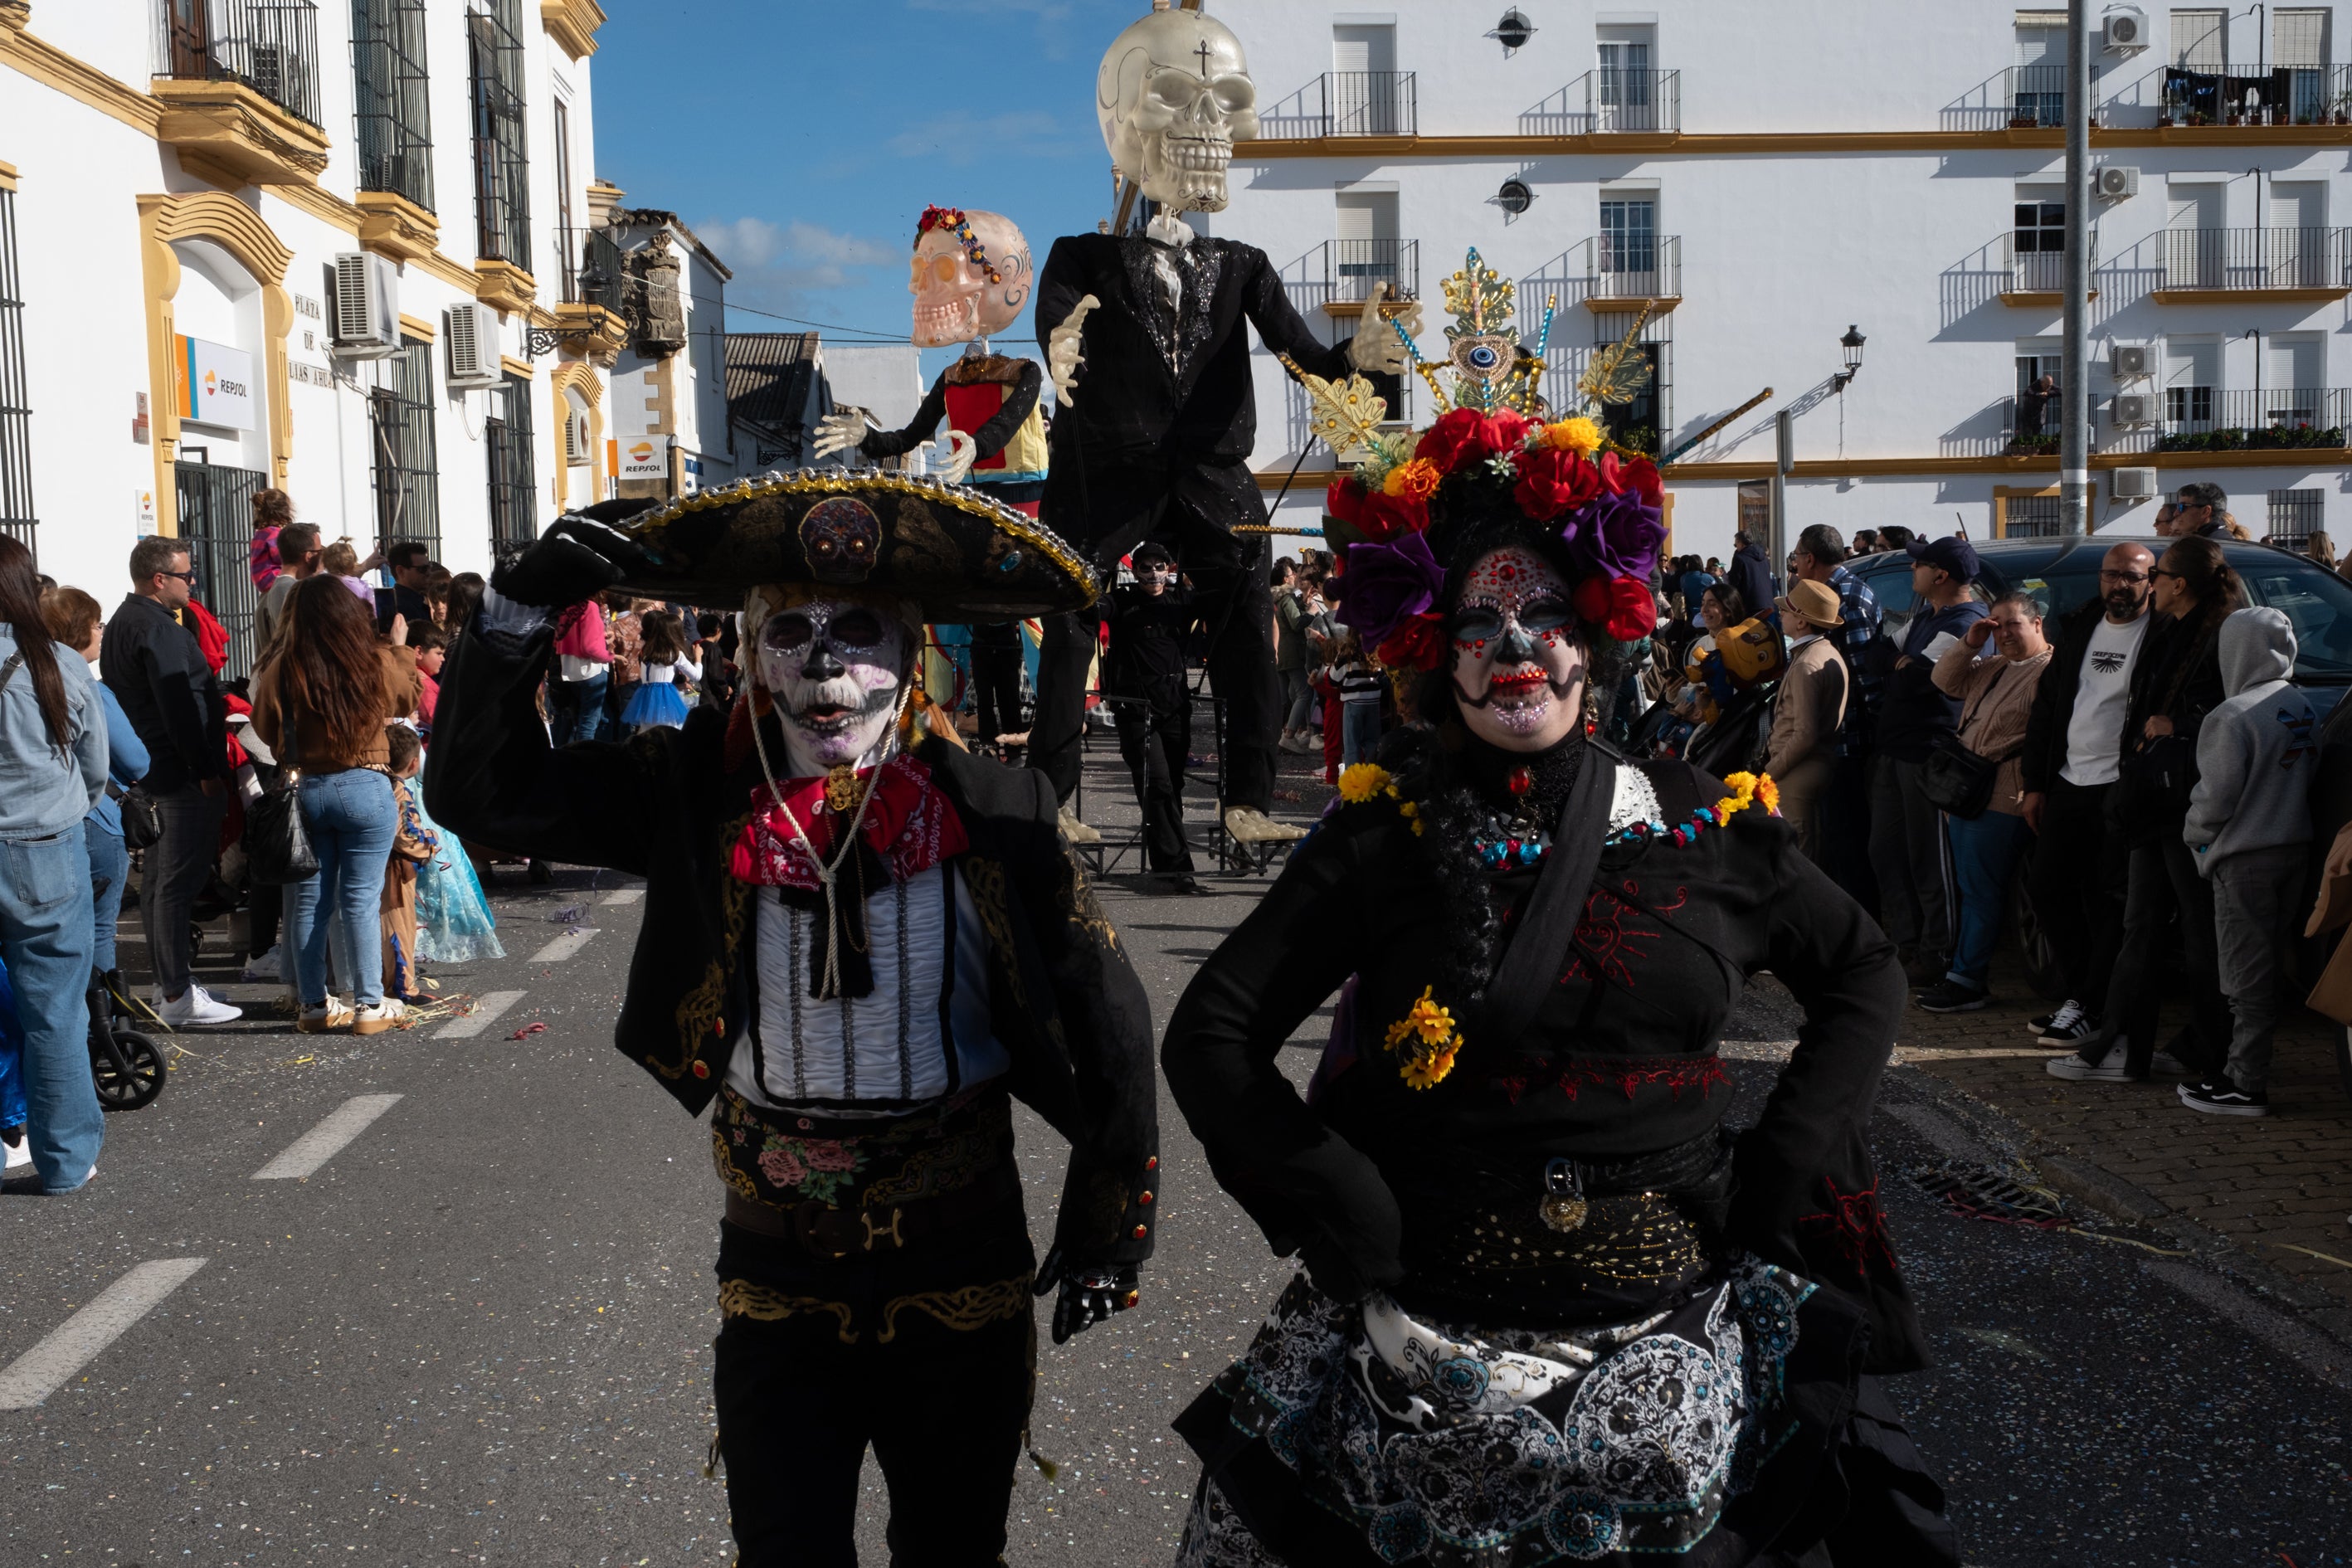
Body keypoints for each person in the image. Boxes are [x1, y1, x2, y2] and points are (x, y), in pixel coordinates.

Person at [1160, 403, 1953, 1566]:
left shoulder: (1699, 821)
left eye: (1544, 617)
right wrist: (1336, 1195)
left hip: (1674, 1337)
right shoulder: (1382, 834)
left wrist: (1785, 1158)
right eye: (1478, 623)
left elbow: (1862, 970)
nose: (1515, 647)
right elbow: (1211, 1034)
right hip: (1425, 1347)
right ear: (1437, 650)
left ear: (1595, 637)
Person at [426, 475, 1158, 1566]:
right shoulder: (690, 787)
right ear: (754, 659)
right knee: (783, 1548)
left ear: (910, 654)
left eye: (857, 633)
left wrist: (1108, 1228)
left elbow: (1111, 1019)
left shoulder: (995, 809)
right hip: (777, 1262)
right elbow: (479, 793)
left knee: (955, 1549)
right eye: (790, 634)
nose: (824, 666)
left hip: (958, 1243)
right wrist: (517, 615)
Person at [2050, 537, 2238, 1084]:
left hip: (2187, 803)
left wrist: (2179, 725)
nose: (2147, 584)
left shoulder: (2220, 635)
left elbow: (2238, 709)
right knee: (2142, 924)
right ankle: (2121, 1047)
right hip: (2151, 800)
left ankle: (2206, 1048)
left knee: (2196, 932)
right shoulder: (2171, 630)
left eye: (2155, 575)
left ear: (2177, 583)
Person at [250, 575, 422, 1035]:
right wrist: (400, 648)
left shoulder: (284, 667)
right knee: (360, 900)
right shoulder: (371, 660)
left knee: (310, 903)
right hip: (365, 781)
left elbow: (264, 727)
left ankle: (313, 1005)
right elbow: (408, 697)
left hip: (306, 786)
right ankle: (369, 1004)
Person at [0, 537, 109, 1193]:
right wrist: (67, 807)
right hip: (43, 844)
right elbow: (94, 765)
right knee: (55, 1010)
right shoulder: (58, 661)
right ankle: (65, 1161)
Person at [2177, 607, 2316, 1116]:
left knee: (2244, 976)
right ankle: (2244, 1072)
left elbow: (2214, 800)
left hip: (2245, 860)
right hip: (2294, 851)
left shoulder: (2231, 716)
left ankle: (2245, 1083)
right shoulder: (2300, 705)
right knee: (2268, 968)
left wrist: (2196, 840)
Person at [2018, 543, 2155, 1048]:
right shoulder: (2081, 626)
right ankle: (2082, 997)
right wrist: (2036, 784)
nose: (2120, 585)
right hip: (2069, 781)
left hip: (2122, 787)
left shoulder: (2161, 634)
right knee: (2047, 888)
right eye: (2111, 575)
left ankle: (2093, 1006)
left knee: (2108, 904)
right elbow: (2047, 708)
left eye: (2132, 577)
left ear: (2152, 581)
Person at [102, 536, 239, 1025]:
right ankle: (177, 993)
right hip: (176, 773)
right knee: (175, 884)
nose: (193, 581)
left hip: (156, 768)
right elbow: (179, 707)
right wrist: (205, 771)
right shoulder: (156, 627)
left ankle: (171, 985)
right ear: (159, 579)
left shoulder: (127, 620)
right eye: (186, 574)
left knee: (162, 883)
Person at [1917, 592, 2053, 1013]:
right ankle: (1964, 974)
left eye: (2013, 624)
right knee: (1972, 888)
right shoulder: (1994, 665)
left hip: (2005, 797)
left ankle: (1967, 980)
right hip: (1967, 793)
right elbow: (1944, 680)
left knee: (1980, 891)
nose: (2005, 633)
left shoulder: (2050, 671)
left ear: (2037, 624)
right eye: (1997, 624)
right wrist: (1972, 641)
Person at [1870, 535, 1987, 983]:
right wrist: (1901, 664)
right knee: (1886, 851)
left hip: (1929, 756)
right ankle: (1906, 943)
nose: (1911, 570)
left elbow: (1918, 682)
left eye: (1919, 565)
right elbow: (1879, 655)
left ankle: (1937, 953)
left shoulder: (1964, 624)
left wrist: (1903, 667)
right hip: (1895, 750)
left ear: (1940, 575)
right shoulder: (1926, 617)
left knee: (1929, 859)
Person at [40, 587, 147, 1008]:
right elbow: (136, 760)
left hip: (40, 820)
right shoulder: (90, 689)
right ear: (79, 630)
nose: (102, 632)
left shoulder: (28, 680)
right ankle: (103, 1019)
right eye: (97, 625)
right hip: (96, 816)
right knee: (100, 926)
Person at [1788, 524, 1884, 900]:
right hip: (1838, 739)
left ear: (1810, 559)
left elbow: (1866, 678)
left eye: (1797, 557)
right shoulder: (1839, 591)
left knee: (1848, 841)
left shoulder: (1848, 598)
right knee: (1836, 837)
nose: (1795, 565)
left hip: (1850, 740)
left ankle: (1860, 917)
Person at [1107, 540, 1204, 893]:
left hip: (1175, 704)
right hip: (1136, 709)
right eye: (1145, 567)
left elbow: (1223, 599)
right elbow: (1093, 607)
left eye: (1159, 566)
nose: (1152, 574)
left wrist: (1244, 568)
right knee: (1157, 783)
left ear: (1169, 568)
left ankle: (1164, 862)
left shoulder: (1181, 602)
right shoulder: (1122, 601)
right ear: (1135, 571)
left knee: (1172, 786)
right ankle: (1179, 868)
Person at [1764, 577, 1849, 860]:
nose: (1781, 614)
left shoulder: (1807, 664)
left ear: (1801, 622)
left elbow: (1805, 734)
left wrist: (1771, 771)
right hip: (1812, 767)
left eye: (1787, 610)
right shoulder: (1825, 652)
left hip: (1797, 773)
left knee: (1797, 860)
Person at [378, 724, 435, 1003]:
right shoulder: (398, 789)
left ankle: (389, 984)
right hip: (395, 871)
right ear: (414, 763)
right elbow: (403, 834)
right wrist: (430, 843)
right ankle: (401, 988)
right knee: (398, 927)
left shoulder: (382, 782)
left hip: (388, 866)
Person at [617, 609, 700, 733]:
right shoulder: (675, 654)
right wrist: (698, 658)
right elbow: (697, 676)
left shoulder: (647, 652)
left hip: (646, 696)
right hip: (665, 698)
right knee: (669, 730)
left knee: (647, 730)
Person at [548, 595, 609, 747]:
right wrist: (610, 656)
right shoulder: (589, 607)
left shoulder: (564, 606)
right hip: (592, 670)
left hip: (571, 671)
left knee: (578, 720)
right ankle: (584, 757)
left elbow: (557, 640)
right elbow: (590, 647)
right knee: (588, 724)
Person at [256, 522, 322, 658]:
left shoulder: (285, 586)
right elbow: (298, 642)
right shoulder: (287, 589)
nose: (321, 557)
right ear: (308, 556)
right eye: (319, 552)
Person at [968, 619, 1025, 747]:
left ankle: (1013, 746)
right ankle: (988, 743)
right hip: (981, 642)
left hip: (1006, 642)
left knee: (1009, 697)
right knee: (984, 698)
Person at [248, 487, 292, 595]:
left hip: (261, 579)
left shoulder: (260, 533)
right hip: (272, 577)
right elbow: (280, 556)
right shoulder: (274, 532)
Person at [1726, 527, 1773, 623]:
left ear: (1740, 543)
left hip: (1750, 605)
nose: (1736, 548)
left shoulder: (1740, 558)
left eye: (1735, 545)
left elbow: (1734, 582)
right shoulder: (1764, 558)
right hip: (1768, 604)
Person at [386, 540, 434, 624]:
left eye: (429, 567)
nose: (429, 573)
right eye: (423, 569)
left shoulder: (419, 601)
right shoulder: (401, 608)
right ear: (400, 571)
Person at [2017, 371, 2056, 437]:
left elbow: (2059, 391)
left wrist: (2048, 393)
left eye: (2050, 386)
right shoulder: (2033, 390)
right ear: (2042, 383)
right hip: (2028, 418)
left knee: (2037, 434)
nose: (2048, 388)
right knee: (2027, 434)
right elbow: (2027, 393)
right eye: (2047, 385)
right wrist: (2039, 394)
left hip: (2039, 419)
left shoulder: (2047, 391)